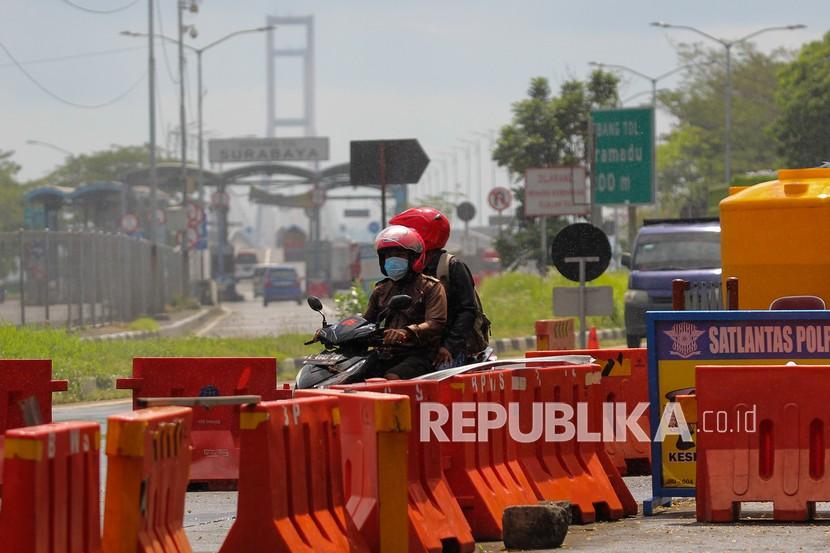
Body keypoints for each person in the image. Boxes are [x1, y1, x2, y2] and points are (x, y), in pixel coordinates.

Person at [389, 207, 480, 368]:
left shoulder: (451, 266)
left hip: (447, 349)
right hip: (414, 346)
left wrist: (449, 346)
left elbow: (467, 311)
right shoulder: (409, 268)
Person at [363, 224, 448, 379]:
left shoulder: (431, 287)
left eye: (399, 254)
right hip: (386, 353)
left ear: (414, 257)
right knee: (353, 372)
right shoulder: (381, 290)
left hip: (419, 354)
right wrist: (336, 331)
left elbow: (435, 323)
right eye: (388, 255)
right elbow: (366, 321)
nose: (392, 259)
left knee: (392, 377)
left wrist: (405, 332)